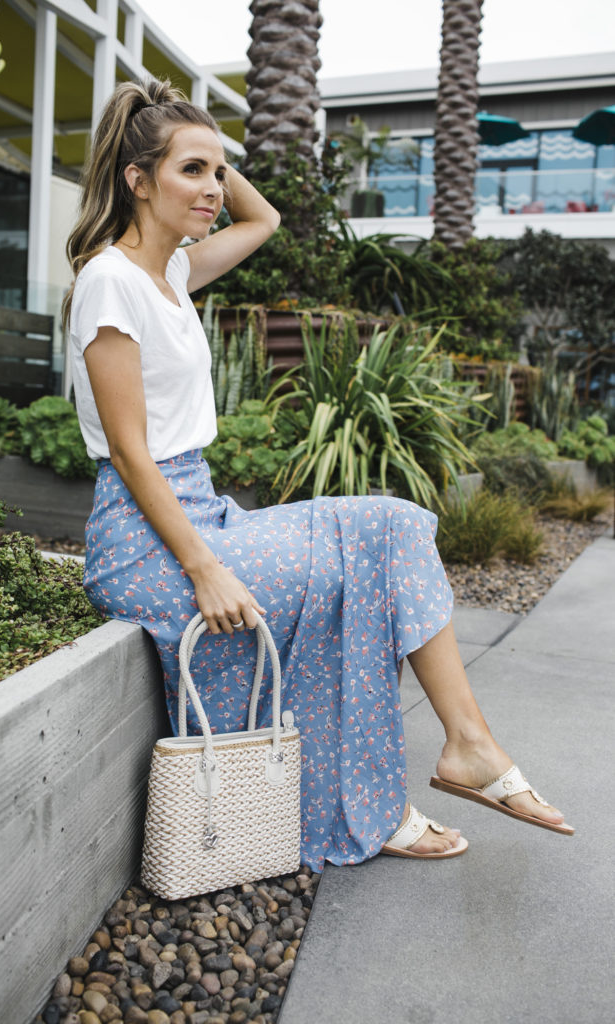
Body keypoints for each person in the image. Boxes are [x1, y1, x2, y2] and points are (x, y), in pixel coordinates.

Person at [64, 77, 573, 871]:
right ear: (137, 179)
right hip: (144, 540)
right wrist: (204, 571)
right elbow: (130, 454)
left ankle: (467, 745)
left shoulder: (170, 274)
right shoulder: (110, 280)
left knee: (393, 524)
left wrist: (198, 146)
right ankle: (379, 798)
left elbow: (263, 219)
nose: (212, 191)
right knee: (350, 574)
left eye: (217, 172)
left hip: (199, 506)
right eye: (190, 171)